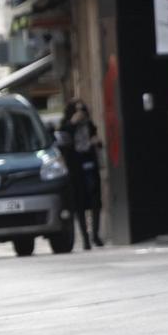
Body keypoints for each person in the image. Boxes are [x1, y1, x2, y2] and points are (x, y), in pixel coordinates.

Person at [62, 100, 104, 249]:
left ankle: (95, 235)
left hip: (90, 166)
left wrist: (96, 143)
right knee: (79, 204)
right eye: (77, 110)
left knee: (95, 202)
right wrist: (73, 124)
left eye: (82, 110)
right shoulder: (67, 126)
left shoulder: (90, 125)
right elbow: (64, 144)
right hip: (76, 169)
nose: (80, 114)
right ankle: (85, 238)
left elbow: (97, 141)